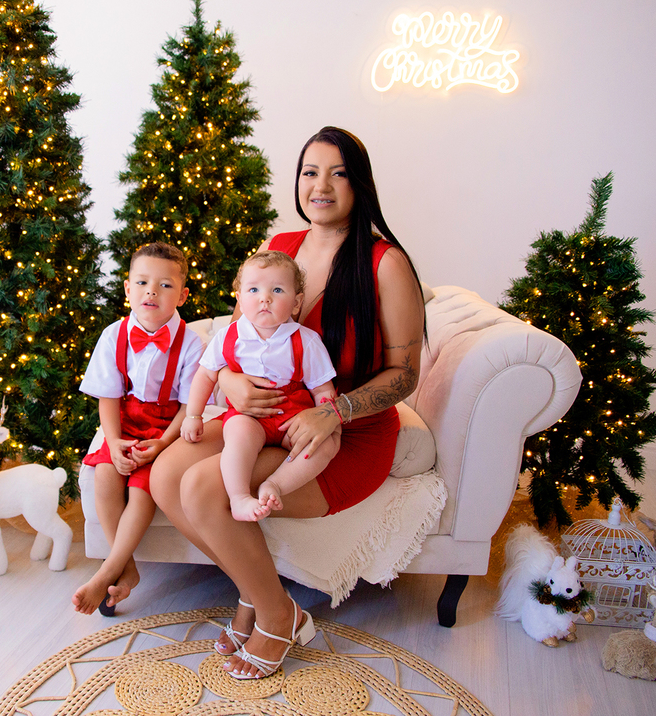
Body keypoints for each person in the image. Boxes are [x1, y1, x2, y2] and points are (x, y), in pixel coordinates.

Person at [149, 126, 426, 680]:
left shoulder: (384, 263)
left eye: (338, 173)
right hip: (262, 416)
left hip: (341, 433)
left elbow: (406, 375)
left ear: (360, 184)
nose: (320, 185)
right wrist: (226, 378)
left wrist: (335, 411)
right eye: (309, 172)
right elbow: (240, 333)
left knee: (204, 488)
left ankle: (273, 615)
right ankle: (262, 594)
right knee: (165, 475)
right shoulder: (282, 247)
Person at [73, 242, 204, 616]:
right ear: (128, 289)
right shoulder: (113, 335)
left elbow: (189, 407)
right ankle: (125, 566)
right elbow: (108, 398)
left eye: (165, 285)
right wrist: (113, 443)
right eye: (143, 282)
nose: (152, 291)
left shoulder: (192, 343)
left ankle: (108, 571)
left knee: (143, 488)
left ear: (182, 295)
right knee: (105, 475)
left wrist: (162, 444)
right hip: (126, 422)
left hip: (167, 428)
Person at [180, 250, 338, 522]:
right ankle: (239, 497)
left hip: (293, 415)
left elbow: (323, 390)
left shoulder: (306, 341)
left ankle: (276, 484)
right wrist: (193, 416)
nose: (265, 298)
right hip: (248, 415)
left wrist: (325, 417)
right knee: (239, 436)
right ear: (240, 299)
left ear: (296, 302)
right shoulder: (228, 336)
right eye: (253, 289)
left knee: (326, 444)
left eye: (277, 290)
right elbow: (205, 376)